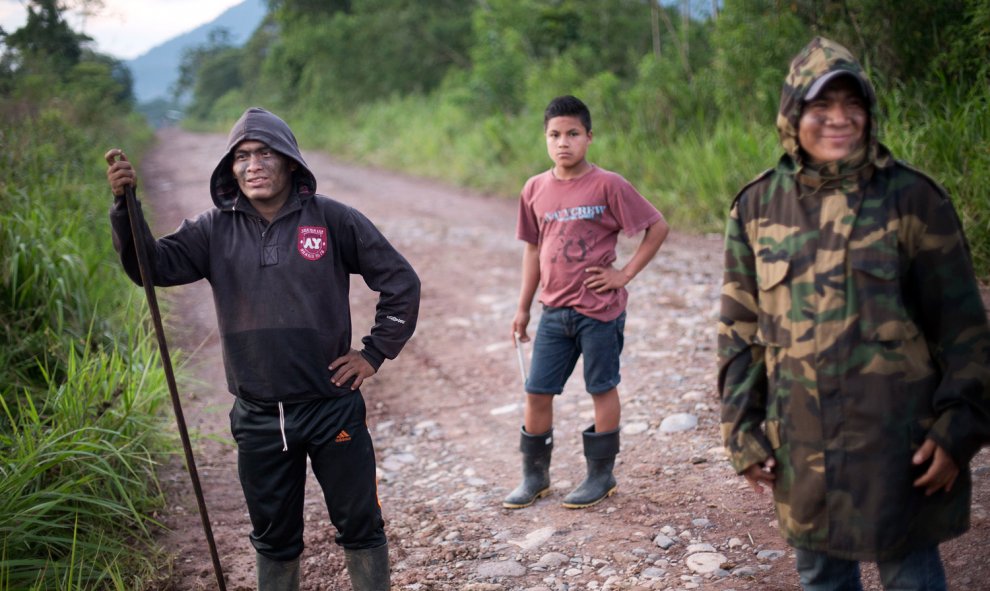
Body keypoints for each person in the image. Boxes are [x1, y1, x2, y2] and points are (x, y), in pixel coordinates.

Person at [105, 107, 420, 591]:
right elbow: (153, 268)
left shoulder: (333, 219)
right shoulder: (213, 229)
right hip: (257, 413)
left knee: (360, 524)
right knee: (273, 538)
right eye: (242, 156)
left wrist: (374, 353)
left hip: (331, 406)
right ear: (230, 168)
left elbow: (399, 282)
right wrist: (126, 210)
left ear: (290, 161)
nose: (253, 164)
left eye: (265, 153)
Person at [718, 36, 990, 591]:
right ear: (794, 115)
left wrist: (958, 429)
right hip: (801, 440)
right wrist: (742, 433)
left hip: (899, 441)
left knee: (910, 570)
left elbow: (964, 331)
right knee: (821, 572)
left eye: (853, 105)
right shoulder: (757, 207)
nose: (839, 120)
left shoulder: (913, 199)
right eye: (821, 107)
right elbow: (739, 333)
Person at [505, 95, 669, 510]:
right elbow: (532, 251)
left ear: (589, 137)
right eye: (555, 135)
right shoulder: (534, 189)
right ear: (545, 139)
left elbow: (657, 227)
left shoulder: (608, 185)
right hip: (554, 312)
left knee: (601, 387)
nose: (564, 143)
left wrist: (624, 274)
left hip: (600, 311)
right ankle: (535, 476)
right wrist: (524, 307)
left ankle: (600, 475)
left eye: (573, 134)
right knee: (537, 392)